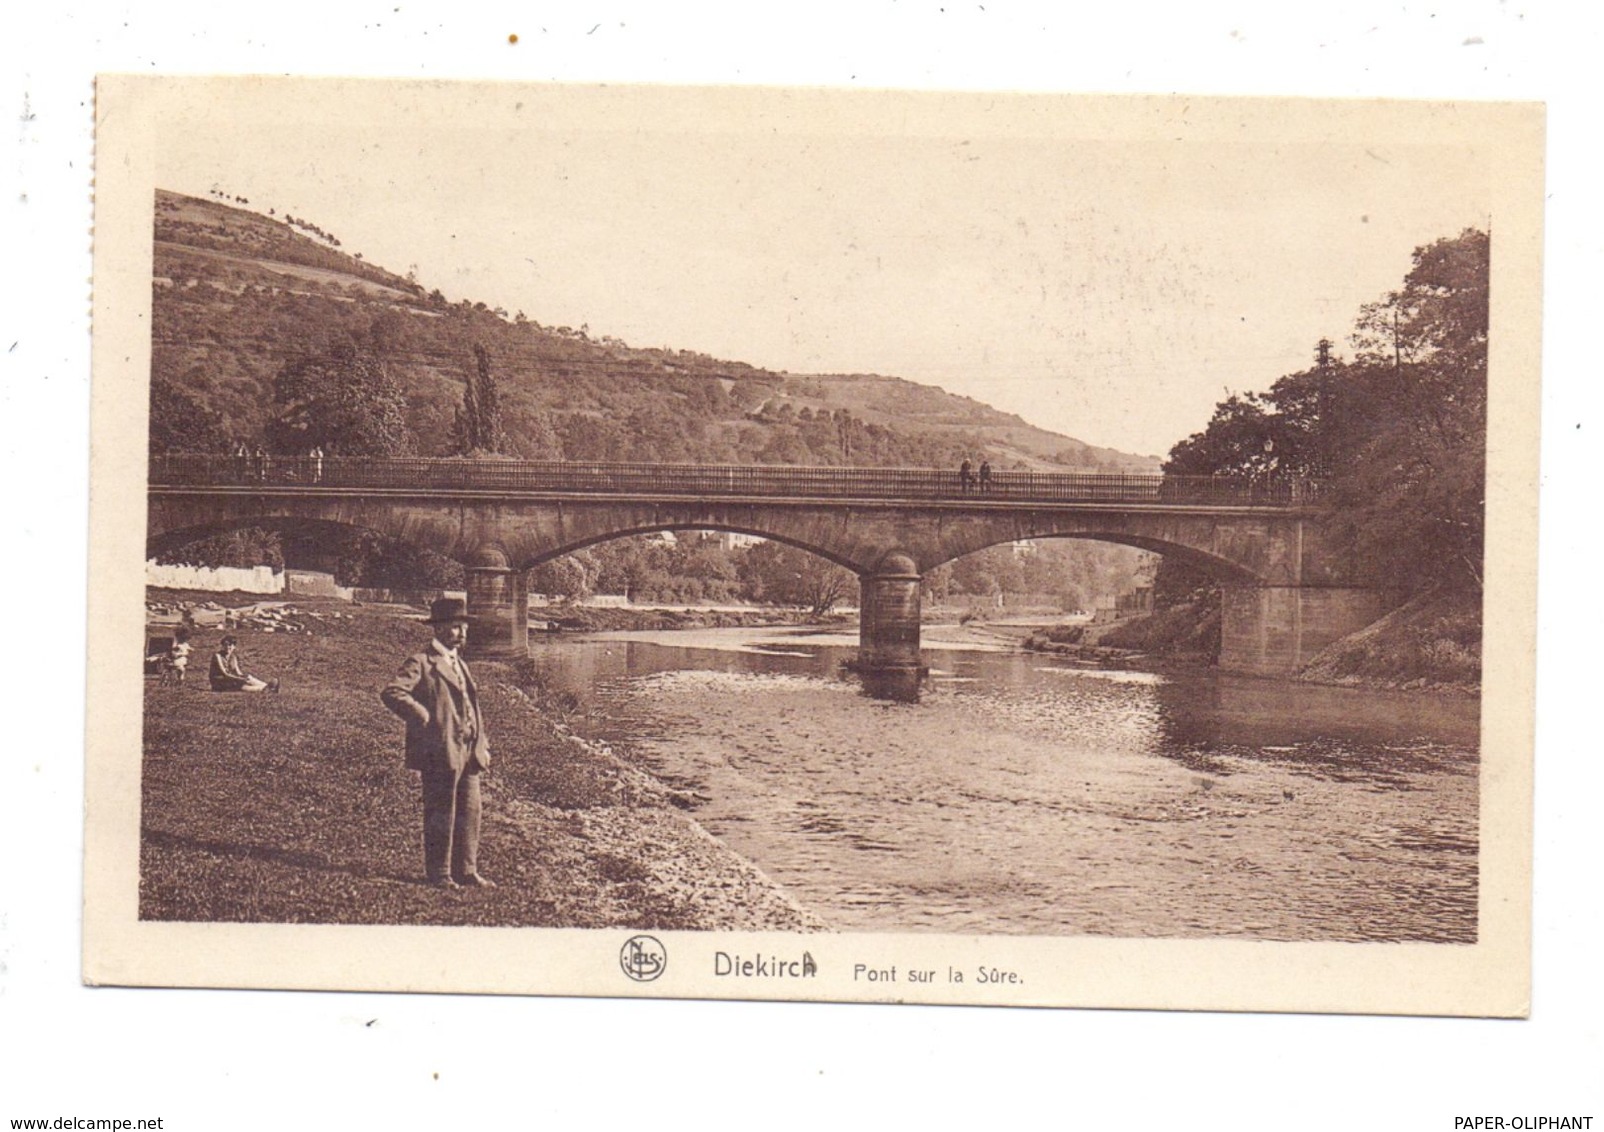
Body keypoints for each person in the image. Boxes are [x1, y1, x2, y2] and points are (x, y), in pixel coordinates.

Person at [380, 597, 496, 889]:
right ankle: (440, 873)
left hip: (468, 750)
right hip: (440, 748)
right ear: (440, 628)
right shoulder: (422, 662)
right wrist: (422, 715)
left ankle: (467, 870)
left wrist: (481, 742)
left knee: (470, 810)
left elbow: (471, 705)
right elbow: (393, 692)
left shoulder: (460, 664)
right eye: (456, 627)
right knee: (441, 810)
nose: (462, 633)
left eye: (464, 627)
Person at [208, 635, 275, 692]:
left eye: (230, 645)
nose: (228, 647)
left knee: (247, 678)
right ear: (222, 646)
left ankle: (266, 686)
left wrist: (244, 677)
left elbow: (238, 672)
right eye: (225, 645)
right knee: (240, 685)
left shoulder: (233, 657)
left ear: (234, 647)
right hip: (219, 681)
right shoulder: (217, 656)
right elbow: (225, 673)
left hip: (228, 679)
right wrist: (239, 679)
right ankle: (265, 688)